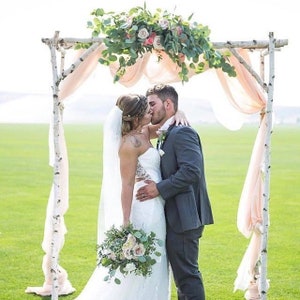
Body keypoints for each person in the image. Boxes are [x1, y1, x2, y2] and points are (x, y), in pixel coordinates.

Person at [75, 93, 187, 300]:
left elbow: (164, 124)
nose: (151, 111)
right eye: (146, 110)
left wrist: (178, 111)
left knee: (156, 255)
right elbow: (126, 184)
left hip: (156, 202)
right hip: (144, 206)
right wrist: (126, 220)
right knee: (146, 257)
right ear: (136, 116)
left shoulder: (144, 131)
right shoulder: (128, 144)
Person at [136, 84, 214, 300]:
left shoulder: (183, 132)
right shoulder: (167, 130)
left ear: (168, 104)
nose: (149, 109)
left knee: (187, 277)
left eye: (152, 104)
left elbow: (192, 171)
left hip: (185, 216)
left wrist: (158, 189)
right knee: (182, 277)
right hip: (175, 215)